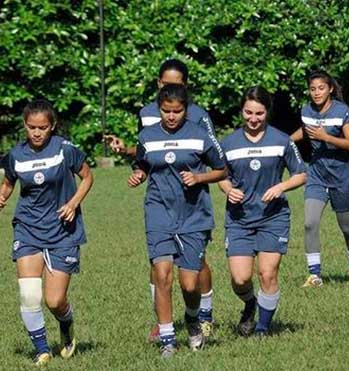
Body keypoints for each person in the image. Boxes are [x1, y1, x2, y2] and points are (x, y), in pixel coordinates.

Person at [105, 59, 217, 341]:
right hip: (160, 199)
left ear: (185, 87)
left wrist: (218, 182)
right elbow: (147, 151)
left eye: (176, 85)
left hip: (191, 203)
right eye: (166, 85)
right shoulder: (146, 114)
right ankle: (163, 323)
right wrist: (126, 151)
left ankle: (204, 313)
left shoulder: (199, 116)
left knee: (195, 267)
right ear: (158, 85)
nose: (170, 90)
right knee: (159, 265)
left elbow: (213, 156)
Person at [128, 84, 226, 357]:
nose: (171, 116)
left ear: (186, 109)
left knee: (189, 284)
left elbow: (221, 169)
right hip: (158, 211)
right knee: (162, 275)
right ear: (159, 108)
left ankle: (193, 320)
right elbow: (142, 163)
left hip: (194, 215)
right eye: (166, 111)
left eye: (177, 111)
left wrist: (199, 177)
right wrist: (139, 174)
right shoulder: (147, 136)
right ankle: (168, 340)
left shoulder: (200, 135)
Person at [0, 100, 94, 366]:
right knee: (29, 294)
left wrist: (73, 204)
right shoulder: (16, 155)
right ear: (25, 126)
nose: (37, 133)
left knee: (55, 300)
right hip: (27, 227)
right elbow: (8, 184)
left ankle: (66, 324)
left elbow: (87, 177)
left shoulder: (66, 149)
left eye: (42, 127)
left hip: (62, 230)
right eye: (31, 127)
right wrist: (2, 197)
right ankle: (41, 350)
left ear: (52, 126)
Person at [219, 86, 306, 337]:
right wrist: (227, 189)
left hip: (273, 217)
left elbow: (301, 174)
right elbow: (220, 175)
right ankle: (249, 304)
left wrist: (282, 186)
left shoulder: (282, 140)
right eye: (248, 113)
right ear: (241, 111)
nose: (253, 119)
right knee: (240, 279)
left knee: (267, 274)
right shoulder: (229, 143)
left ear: (267, 112)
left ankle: (262, 328)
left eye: (259, 113)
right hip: (239, 219)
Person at [290, 70, 349, 287]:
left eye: (321, 88)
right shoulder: (306, 110)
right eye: (312, 89)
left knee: (347, 228)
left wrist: (326, 137)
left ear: (330, 88)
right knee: (310, 223)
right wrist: (284, 142)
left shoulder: (342, 112)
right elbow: (304, 131)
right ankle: (314, 275)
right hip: (317, 176)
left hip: (343, 178)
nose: (316, 93)